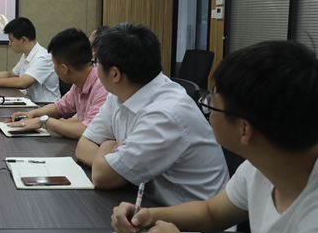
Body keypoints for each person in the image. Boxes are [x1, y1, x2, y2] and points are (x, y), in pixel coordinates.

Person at [111, 40, 318, 233]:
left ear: (244, 129)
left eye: (211, 104)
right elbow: (211, 211)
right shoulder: (262, 165)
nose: (206, 112)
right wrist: (148, 215)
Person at [76, 23, 228, 204]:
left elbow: (102, 176)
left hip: (193, 217)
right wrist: (111, 158)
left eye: (96, 63)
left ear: (115, 74)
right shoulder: (118, 94)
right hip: (148, 203)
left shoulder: (165, 114)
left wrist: (107, 146)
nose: (94, 69)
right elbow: (83, 146)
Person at [6, 28, 107, 139]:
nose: (53, 68)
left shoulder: (103, 85)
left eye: (54, 64)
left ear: (64, 69)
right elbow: (60, 107)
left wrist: (44, 122)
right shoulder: (79, 81)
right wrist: (32, 114)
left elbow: (88, 131)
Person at [0, 17, 60, 103]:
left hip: (45, 105)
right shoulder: (27, 54)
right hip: (30, 102)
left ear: (23, 40)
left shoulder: (43, 57)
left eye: (11, 40)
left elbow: (23, 82)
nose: (9, 44)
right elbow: (10, 74)